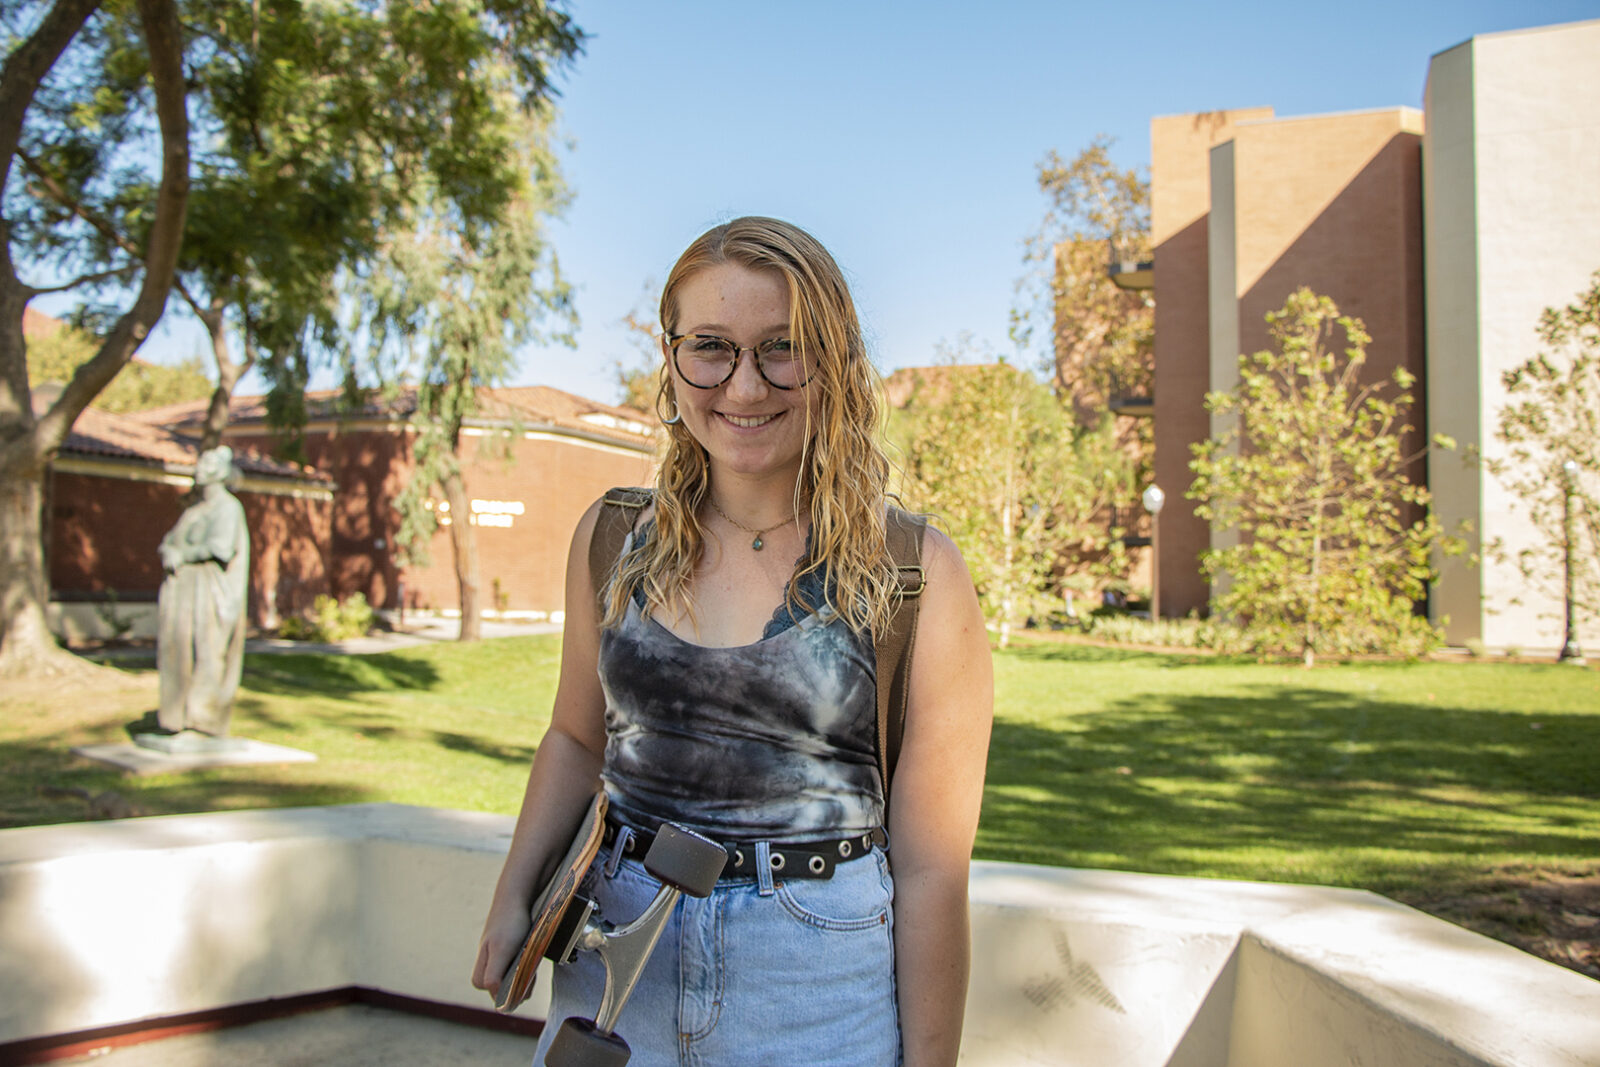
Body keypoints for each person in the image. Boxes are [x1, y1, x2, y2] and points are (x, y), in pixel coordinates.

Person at [472, 217, 993, 1065]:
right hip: (612, 966)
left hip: (815, 982)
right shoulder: (611, 542)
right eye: (711, 347)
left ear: (834, 361)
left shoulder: (912, 571)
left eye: (782, 348)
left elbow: (933, 870)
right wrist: (513, 895)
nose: (744, 387)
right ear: (672, 355)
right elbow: (576, 737)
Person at [155, 445, 249, 736]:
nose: (199, 468)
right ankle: (177, 716)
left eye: (207, 463)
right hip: (184, 592)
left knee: (208, 651)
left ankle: (204, 718)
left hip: (210, 592)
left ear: (220, 472)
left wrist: (183, 555)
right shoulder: (195, 511)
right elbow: (168, 541)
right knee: (178, 649)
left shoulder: (228, 508)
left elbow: (221, 547)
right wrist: (170, 552)